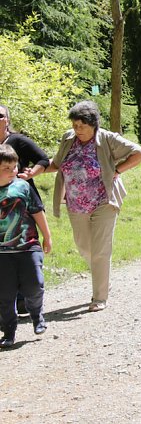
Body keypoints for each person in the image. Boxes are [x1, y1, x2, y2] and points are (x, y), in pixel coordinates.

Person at [43, 100, 141, 312]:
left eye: (82, 126)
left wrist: (118, 170)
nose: (77, 130)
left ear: (93, 124)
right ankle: (103, 276)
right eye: (75, 126)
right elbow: (56, 164)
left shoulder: (108, 139)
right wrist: (34, 170)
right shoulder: (68, 139)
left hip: (103, 201)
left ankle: (99, 297)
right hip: (75, 203)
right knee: (83, 246)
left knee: (100, 250)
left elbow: (140, 153)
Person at [0, 145, 53, 348]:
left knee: (34, 286)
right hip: (2, 253)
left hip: (28, 246)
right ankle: (9, 332)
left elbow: (37, 211)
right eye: (6, 168)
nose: (12, 171)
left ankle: (37, 315)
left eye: (15, 167)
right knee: (4, 295)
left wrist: (47, 237)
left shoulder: (23, 186)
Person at [1, 104, 51, 317]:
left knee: (24, 247)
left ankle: (26, 298)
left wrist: (31, 174)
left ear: (7, 119)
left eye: (0, 115)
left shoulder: (17, 141)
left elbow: (44, 159)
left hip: (23, 201)